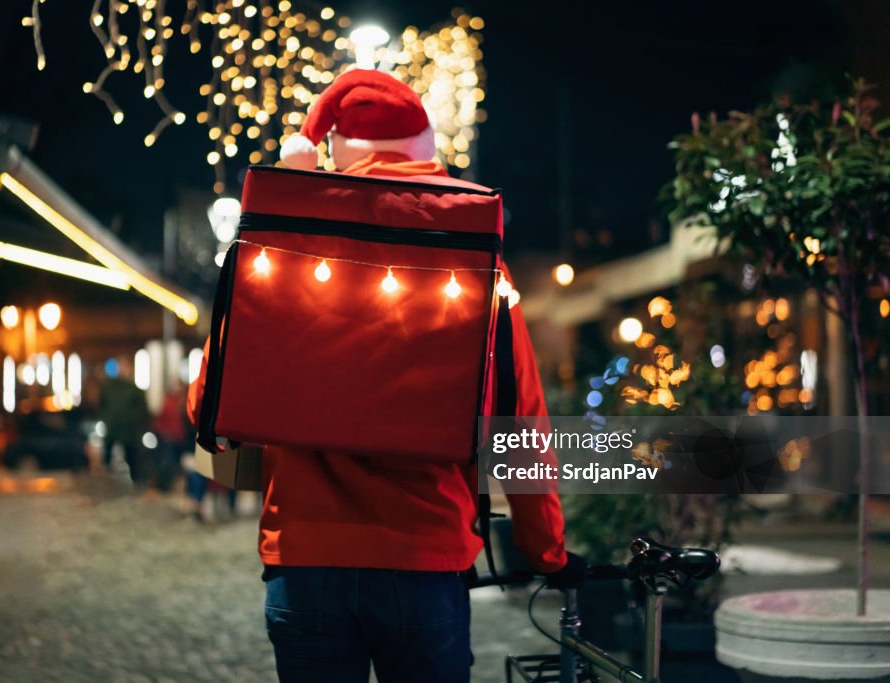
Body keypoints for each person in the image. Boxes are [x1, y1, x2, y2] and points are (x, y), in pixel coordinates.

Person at [189, 69, 581, 683]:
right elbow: (519, 422)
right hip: (424, 561)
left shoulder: (288, 250)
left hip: (305, 561)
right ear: (423, 151)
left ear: (332, 152)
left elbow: (205, 400)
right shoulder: (474, 263)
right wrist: (547, 553)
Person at [98, 357, 149, 486]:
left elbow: (142, 410)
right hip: (113, 428)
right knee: (108, 456)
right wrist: (106, 420)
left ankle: (136, 481)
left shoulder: (134, 390)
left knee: (131, 456)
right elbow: (102, 406)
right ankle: (107, 480)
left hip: (129, 430)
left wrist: (134, 422)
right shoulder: (109, 389)